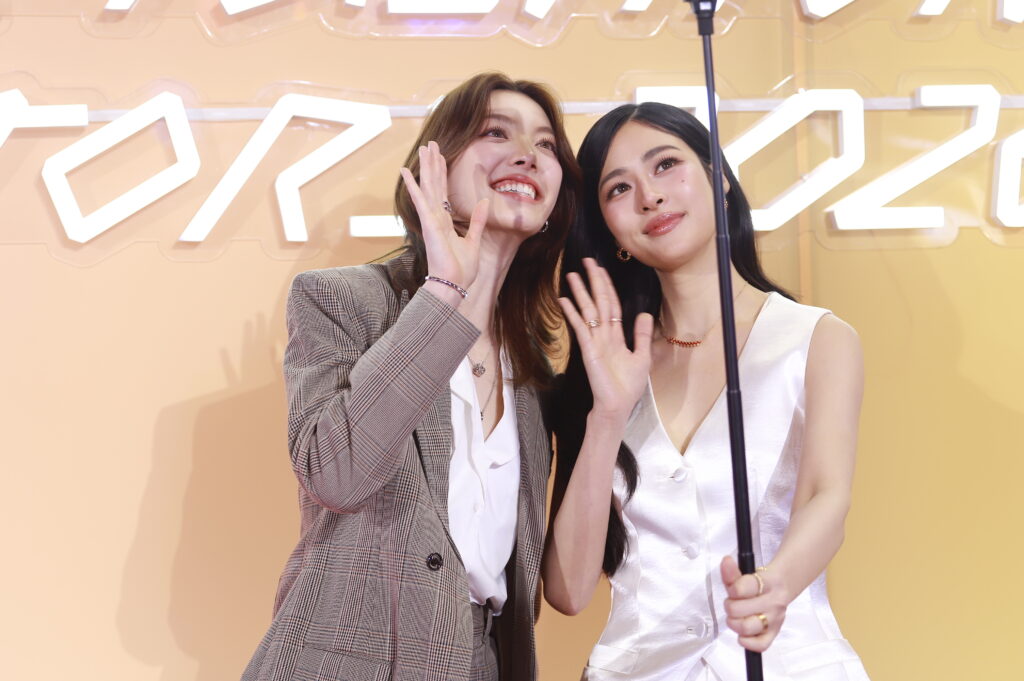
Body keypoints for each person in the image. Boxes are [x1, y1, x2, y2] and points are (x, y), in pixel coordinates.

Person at [242, 72, 580, 681]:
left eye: (546, 144)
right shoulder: (344, 300)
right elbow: (338, 474)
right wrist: (445, 291)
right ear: (437, 165)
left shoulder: (532, 370)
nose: (527, 154)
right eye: (495, 132)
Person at [543, 102, 870, 681]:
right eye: (619, 188)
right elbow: (568, 590)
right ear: (609, 229)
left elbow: (827, 496)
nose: (650, 196)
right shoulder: (608, 365)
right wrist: (607, 415)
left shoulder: (815, 338)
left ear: (719, 179)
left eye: (666, 165)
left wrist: (774, 587)